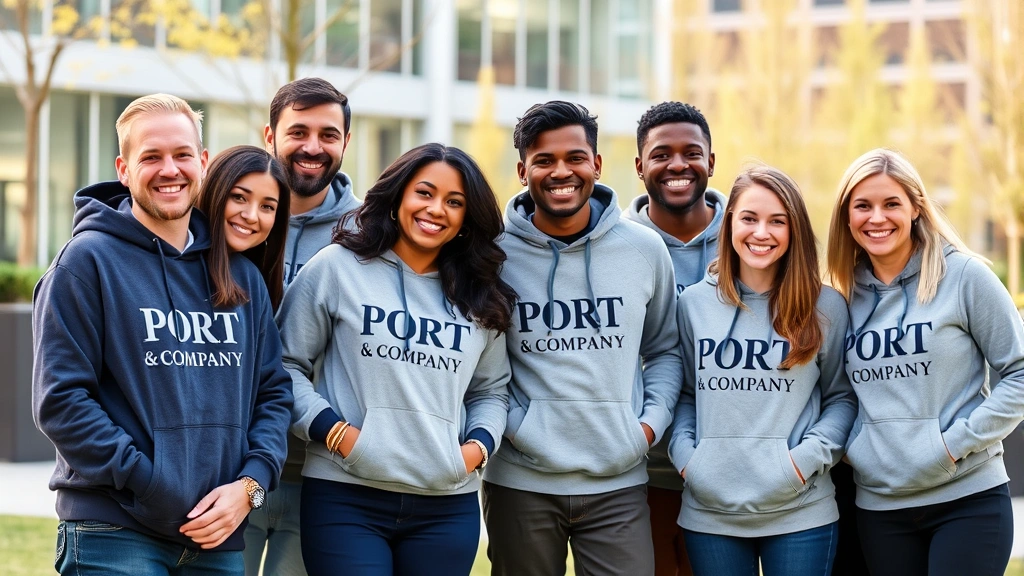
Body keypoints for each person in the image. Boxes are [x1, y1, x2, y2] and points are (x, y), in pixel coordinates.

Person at [32, 94, 292, 576]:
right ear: (124, 168)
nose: (169, 169)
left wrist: (250, 487)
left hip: (217, 540)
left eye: (181, 155)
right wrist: (152, 484)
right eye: (151, 156)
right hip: (115, 533)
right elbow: (62, 401)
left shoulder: (240, 276)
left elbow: (273, 395)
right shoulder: (86, 263)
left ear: (204, 161)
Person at [277, 143, 517, 576]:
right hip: (345, 496)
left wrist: (475, 450)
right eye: (424, 193)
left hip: (446, 506)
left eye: (454, 202)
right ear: (399, 197)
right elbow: (283, 366)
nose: (436, 209)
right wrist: (338, 435)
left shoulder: (481, 294)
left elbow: (491, 390)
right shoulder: (337, 268)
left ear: (466, 218)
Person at [482, 100, 683, 576]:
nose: (561, 172)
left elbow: (665, 350)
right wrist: (519, 427)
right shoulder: (492, 255)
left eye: (575, 158)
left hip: (617, 479)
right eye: (544, 160)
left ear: (596, 163)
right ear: (522, 170)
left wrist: (646, 427)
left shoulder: (643, 248)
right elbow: (480, 368)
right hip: (520, 479)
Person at [826, 148, 1024, 576]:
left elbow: (1020, 373)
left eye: (891, 203)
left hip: (967, 500)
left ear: (915, 206)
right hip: (881, 507)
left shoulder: (965, 277)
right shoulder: (840, 298)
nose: (876, 217)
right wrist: (858, 451)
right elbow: (834, 394)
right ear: (846, 216)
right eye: (862, 206)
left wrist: (953, 444)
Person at [668, 165, 856, 576]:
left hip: (800, 511)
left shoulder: (826, 307)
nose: (761, 232)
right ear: (730, 221)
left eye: (777, 221)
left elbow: (843, 398)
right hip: (710, 514)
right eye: (749, 218)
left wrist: (801, 463)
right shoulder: (694, 304)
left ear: (795, 231)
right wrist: (689, 460)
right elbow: (684, 393)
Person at [246, 77, 360, 576]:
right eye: (298, 132)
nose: (313, 147)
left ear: (345, 143)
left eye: (328, 134)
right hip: (234, 466)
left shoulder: (370, 233)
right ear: (269, 135)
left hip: (325, 474)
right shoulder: (229, 217)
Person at [626, 101, 726, 576]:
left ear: (711, 160)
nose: (678, 165)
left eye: (692, 152)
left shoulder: (753, 236)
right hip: (641, 472)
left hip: (734, 471)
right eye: (662, 153)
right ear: (640, 166)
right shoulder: (615, 246)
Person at [197, 145, 291, 311]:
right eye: (239, 197)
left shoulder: (254, 281)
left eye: (267, 207)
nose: (252, 216)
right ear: (214, 191)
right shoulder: (173, 267)